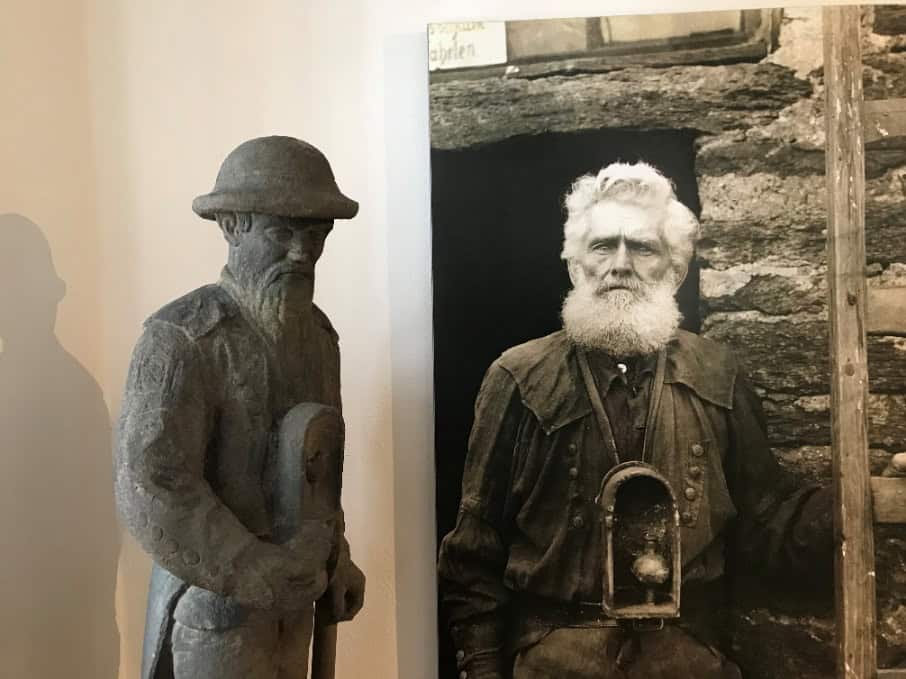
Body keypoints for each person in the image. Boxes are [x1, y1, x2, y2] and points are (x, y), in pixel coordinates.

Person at [437, 162, 833, 679]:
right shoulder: (518, 377)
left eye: (642, 248)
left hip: (685, 659)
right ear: (576, 266)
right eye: (603, 246)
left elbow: (767, 520)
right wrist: (483, 669)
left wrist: (845, 506)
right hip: (557, 659)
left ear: (674, 269)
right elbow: (475, 549)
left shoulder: (717, 374)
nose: (619, 264)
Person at [115, 136, 365, 679]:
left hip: (295, 611)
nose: (302, 253)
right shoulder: (182, 337)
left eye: (316, 235)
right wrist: (256, 568)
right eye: (282, 232)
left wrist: (336, 558)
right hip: (215, 620)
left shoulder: (319, 339)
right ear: (233, 227)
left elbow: (320, 476)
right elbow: (153, 486)